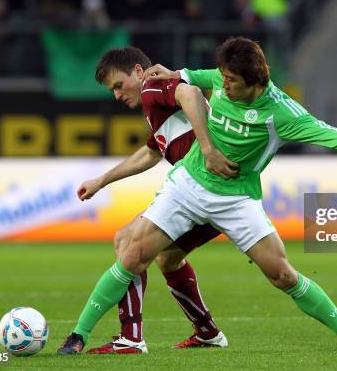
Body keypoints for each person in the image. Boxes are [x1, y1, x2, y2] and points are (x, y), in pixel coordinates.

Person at [59, 37, 337, 354]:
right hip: (188, 183)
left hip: (236, 198)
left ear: (254, 80)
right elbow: (190, 77)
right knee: (132, 253)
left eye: (231, 80)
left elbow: (319, 128)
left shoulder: (281, 114)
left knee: (282, 274)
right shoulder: (219, 78)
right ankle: (78, 337)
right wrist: (173, 74)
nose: (223, 84)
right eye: (224, 76)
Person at [61, 47, 238, 354]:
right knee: (167, 258)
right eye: (112, 90)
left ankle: (128, 338)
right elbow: (151, 153)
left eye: (119, 85)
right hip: (216, 192)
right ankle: (207, 333)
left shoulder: (153, 86)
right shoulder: (156, 107)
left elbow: (191, 92)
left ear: (139, 72)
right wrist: (101, 181)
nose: (117, 95)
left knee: (127, 241)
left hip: (203, 189)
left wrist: (207, 149)